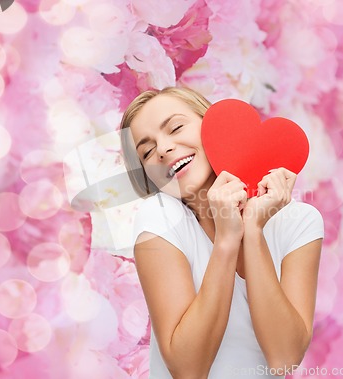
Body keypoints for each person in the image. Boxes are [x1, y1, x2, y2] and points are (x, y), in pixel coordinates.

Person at [119, 87, 324, 379]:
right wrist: (226, 241)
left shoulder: (300, 221)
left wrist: (252, 230)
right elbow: (188, 369)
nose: (162, 149)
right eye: (147, 151)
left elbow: (283, 358)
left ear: (213, 125)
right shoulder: (160, 219)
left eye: (176, 127)